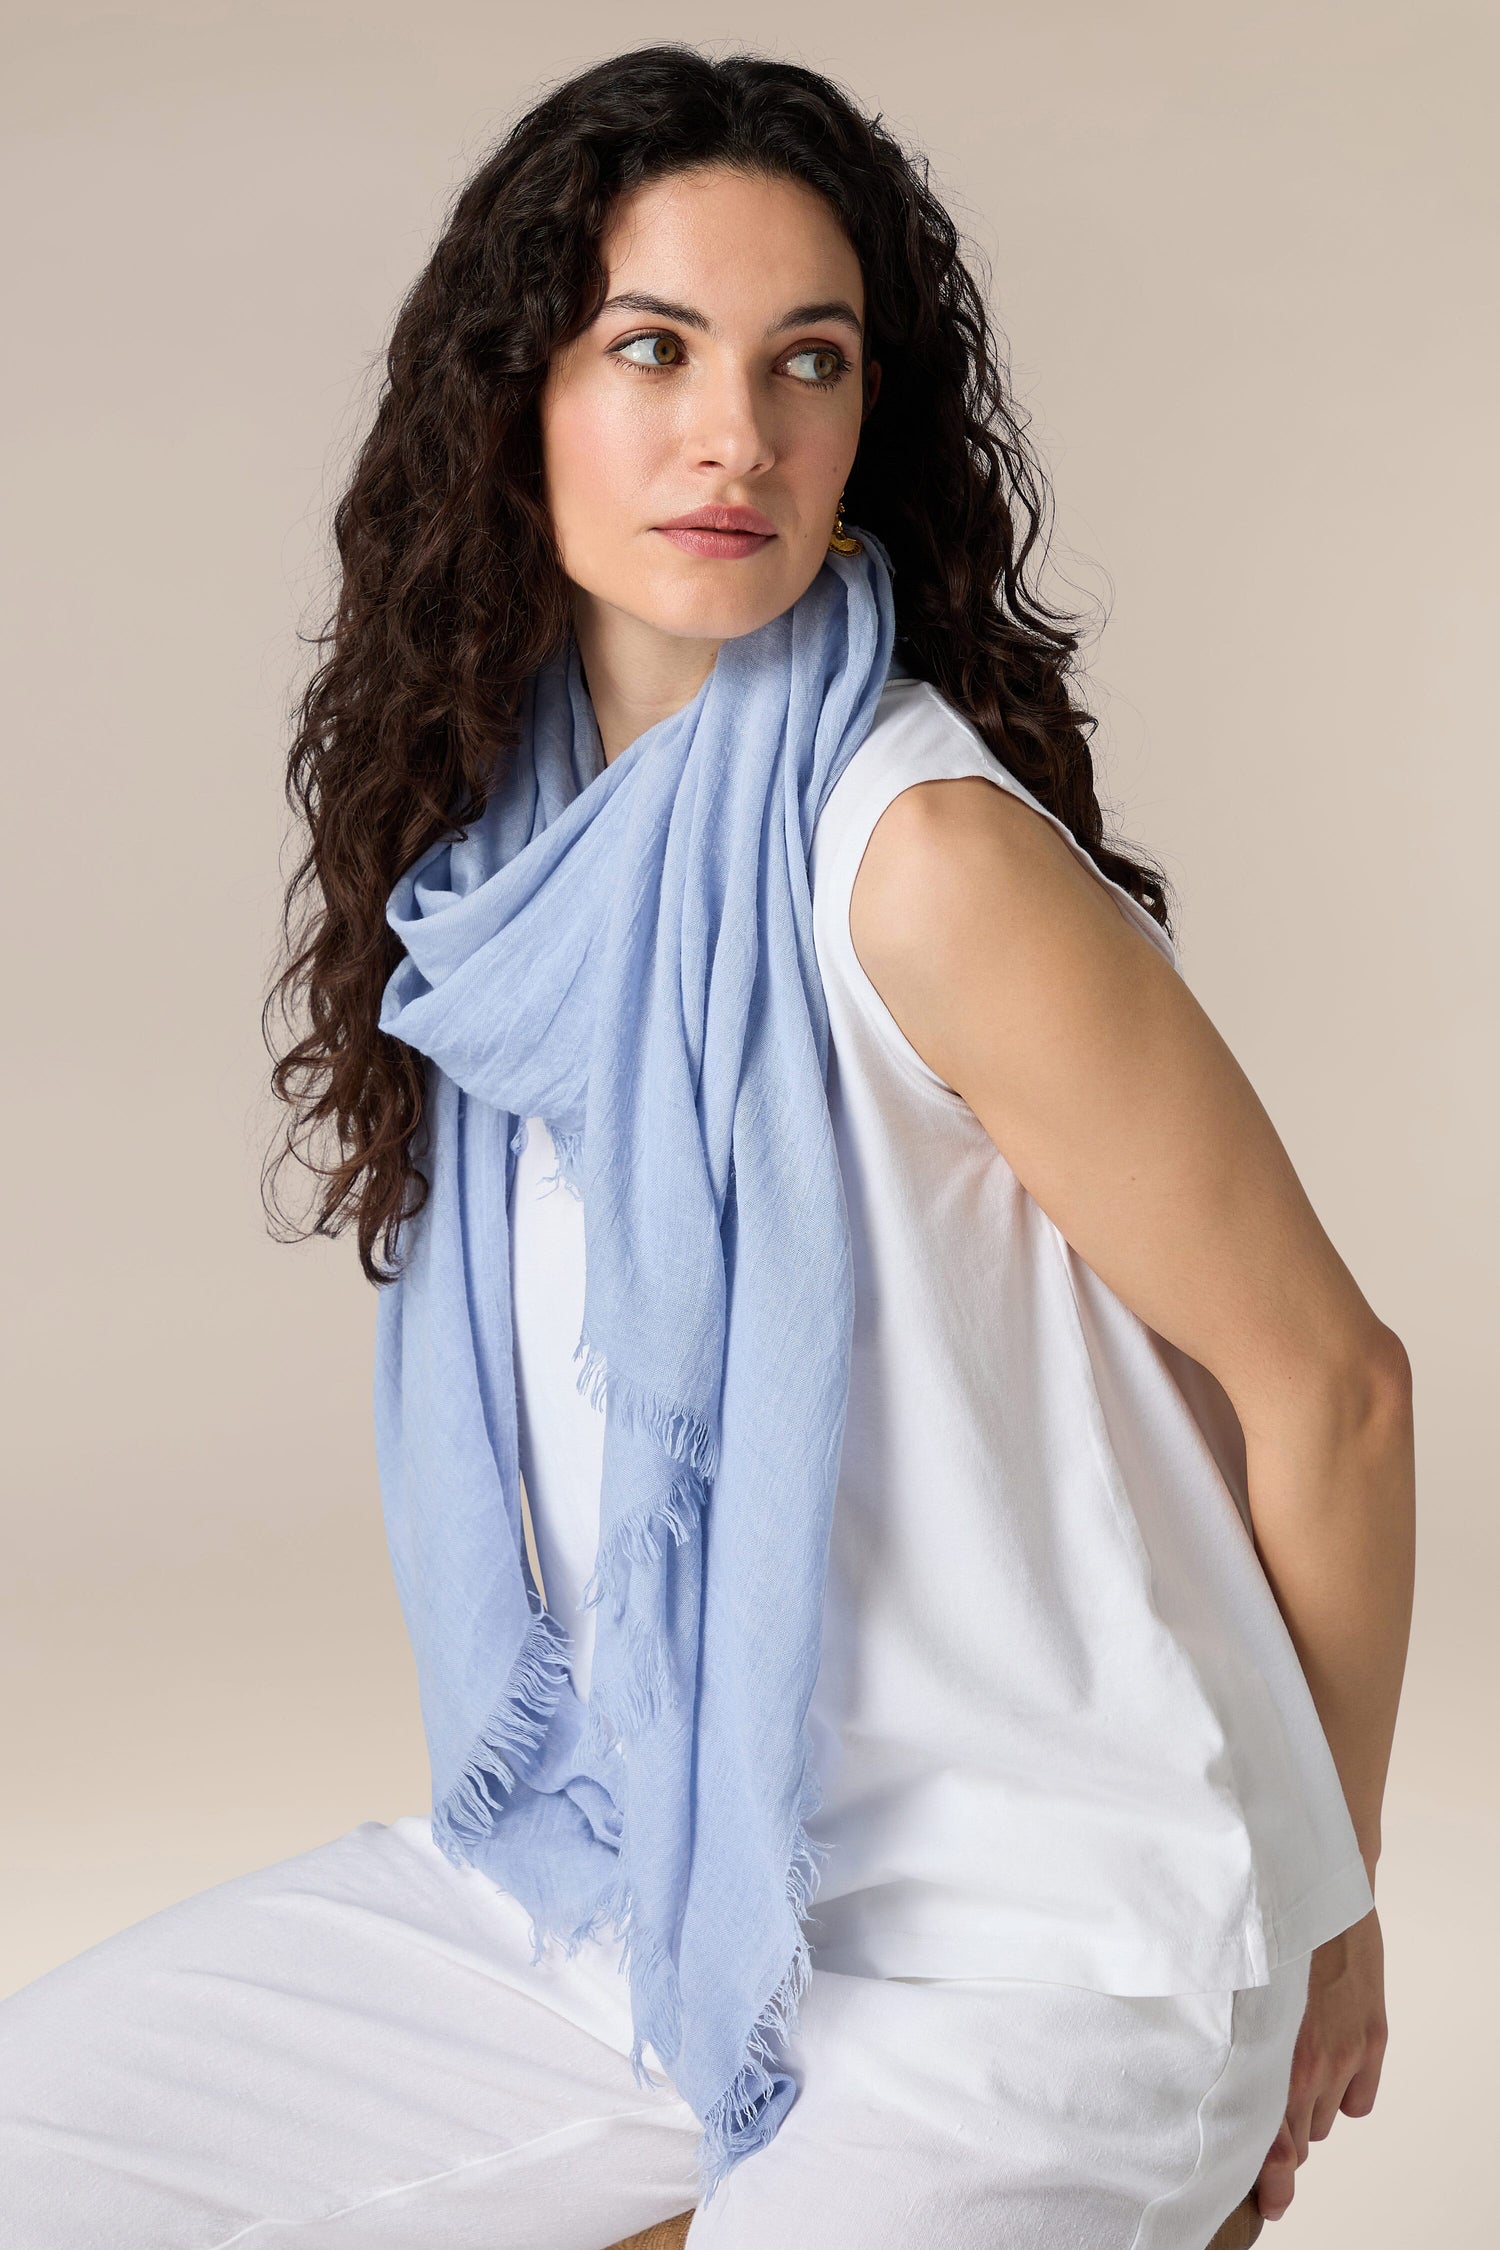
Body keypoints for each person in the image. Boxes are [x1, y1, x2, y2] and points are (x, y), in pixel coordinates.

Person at [0, 43, 1414, 2250]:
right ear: (519, 405)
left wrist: (1329, 1916)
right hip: (636, 1887)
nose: (733, 434)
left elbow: (1337, 1387)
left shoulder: (917, 860)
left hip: (1041, 1957)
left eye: (806, 363)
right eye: (652, 348)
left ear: (869, 429)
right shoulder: (504, 869)